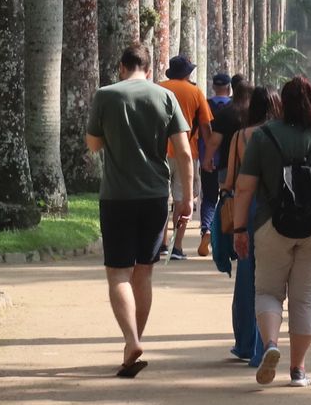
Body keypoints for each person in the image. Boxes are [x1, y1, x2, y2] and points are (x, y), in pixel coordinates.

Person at [232, 77, 311, 387]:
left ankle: (271, 344)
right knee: (304, 300)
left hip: (270, 225)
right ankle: (298, 369)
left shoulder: (263, 137)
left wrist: (239, 228)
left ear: (282, 104)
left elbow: (244, 187)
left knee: (268, 292)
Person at [84, 43, 193, 378]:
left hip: (117, 196)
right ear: (149, 70)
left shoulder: (106, 95)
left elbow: (93, 144)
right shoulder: (165, 97)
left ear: (121, 67)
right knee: (143, 271)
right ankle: (135, 342)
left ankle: (130, 340)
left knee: (118, 272)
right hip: (155, 196)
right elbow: (185, 154)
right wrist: (187, 199)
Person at [217, 84, 276, 365]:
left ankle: (245, 343)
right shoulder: (278, 134)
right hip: (273, 207)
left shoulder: (241, 136)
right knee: (271, 278)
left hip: (245, 205)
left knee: (246, 275)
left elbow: (229, 180)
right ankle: (267, 342)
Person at [159, 55, 213, 260]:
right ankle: (177, 247)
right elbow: (206, 125)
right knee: (182, 200)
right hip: (187, 153)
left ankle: (162, 244)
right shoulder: (195, 92)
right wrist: (209, 154)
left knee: (162, 199)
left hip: (160, 152)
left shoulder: (159, 88)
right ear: (187, 73)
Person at [200, 73, 235, 251]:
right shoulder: (235, 109)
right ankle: (226, 235)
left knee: (208, 197)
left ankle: (206, 228)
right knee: (228, 198)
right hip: (229, 161)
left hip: (208, 157)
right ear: (229, 88)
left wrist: (206, 157)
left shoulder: (205, 105)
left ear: (213, 87)